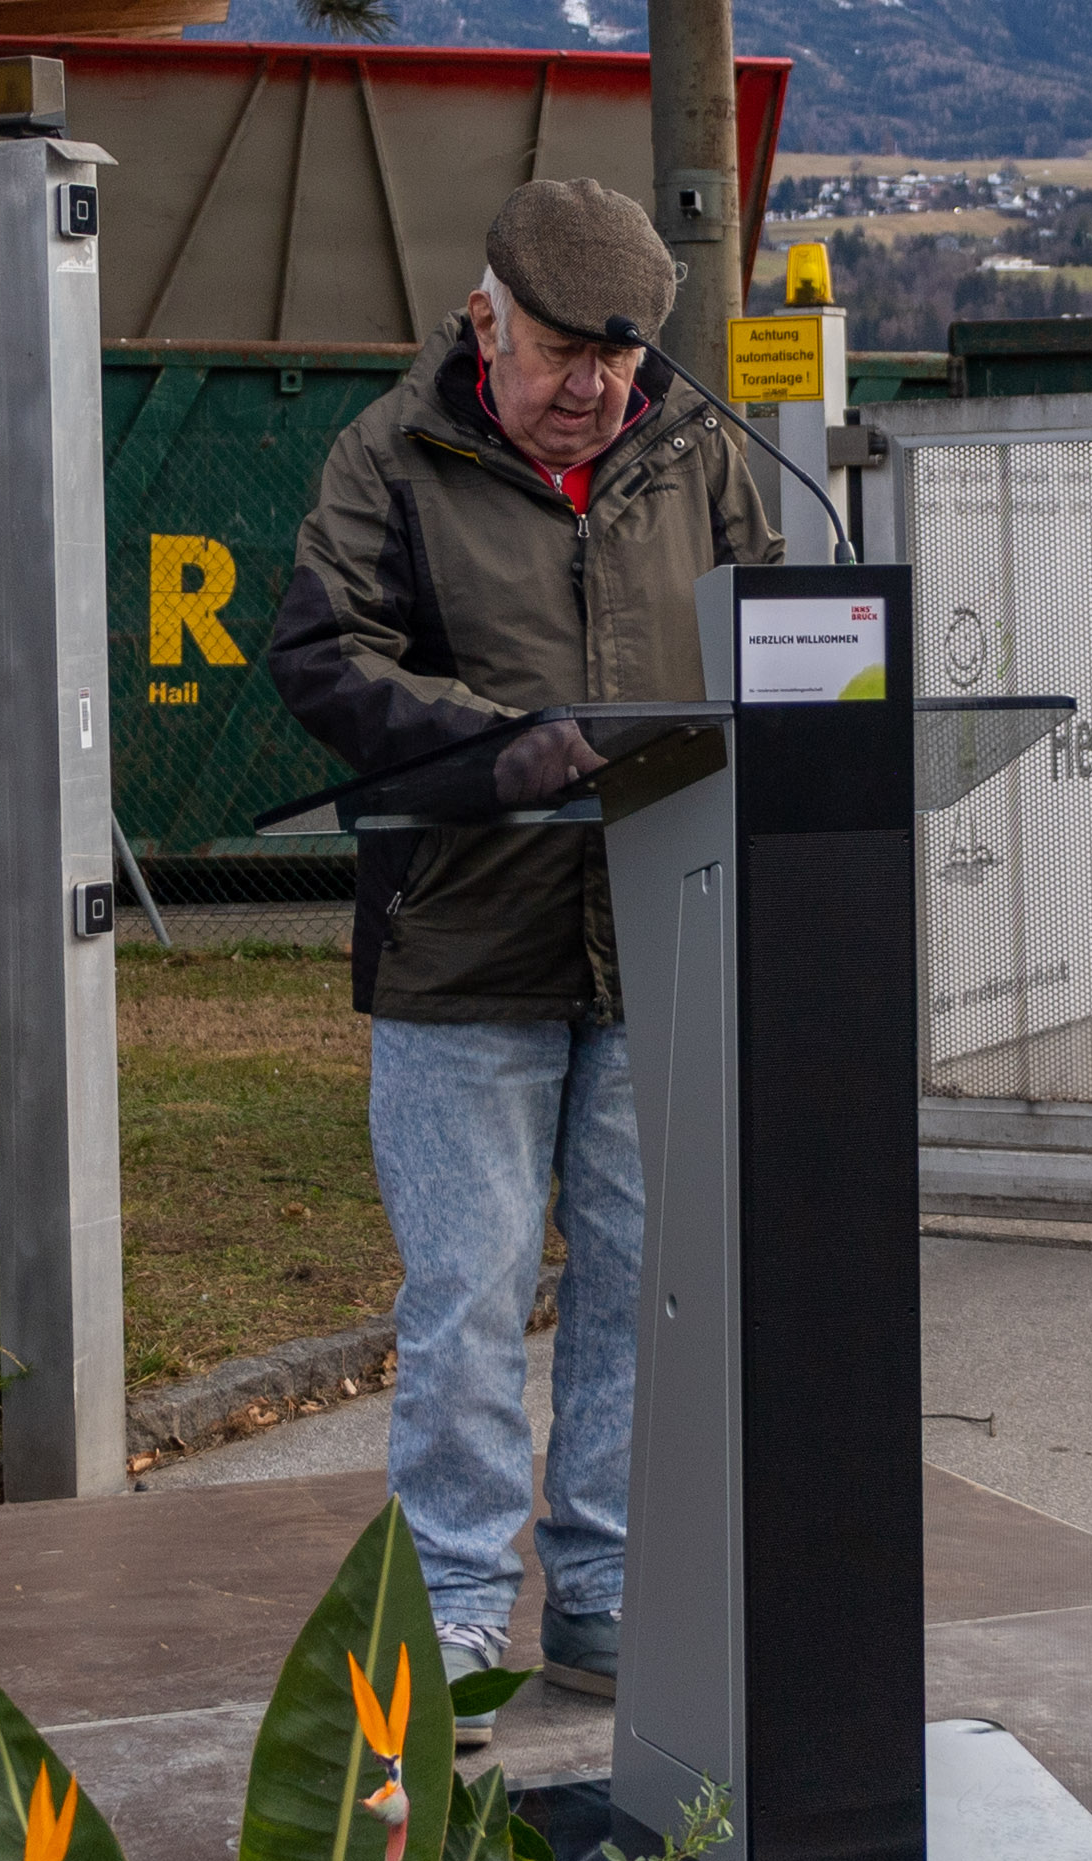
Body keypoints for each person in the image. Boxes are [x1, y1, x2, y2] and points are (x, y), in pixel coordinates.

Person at [269, 177, 780, 1743]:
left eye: (619, 366)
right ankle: (459, 1618)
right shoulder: (390, 453)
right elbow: (319, 656)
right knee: (471, 1302)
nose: (593, 393)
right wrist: (502, 751)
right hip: (462, 951)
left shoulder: (699, 450)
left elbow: (780, 626)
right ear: (485, 315)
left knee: (642, 1290)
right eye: (565, 355)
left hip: (660, 941)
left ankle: (612, 1594)